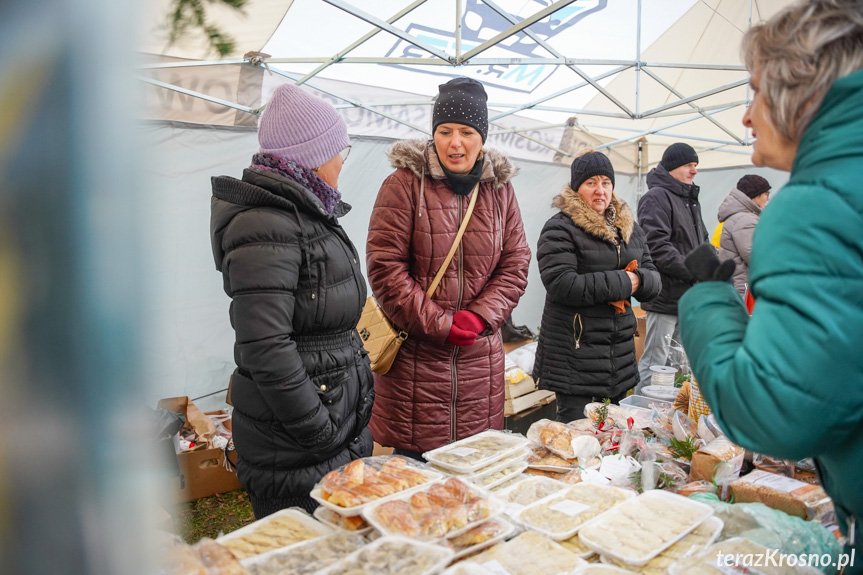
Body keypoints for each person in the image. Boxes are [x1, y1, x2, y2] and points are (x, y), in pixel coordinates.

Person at [679, 0, 863, 567]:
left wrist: (707, 298)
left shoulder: (813, 205)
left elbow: (773, 413)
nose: (745, 115)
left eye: (755, 90)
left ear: (796, 92)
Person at [209, 83, 374, 518]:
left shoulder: (305, 211)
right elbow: (265, 346)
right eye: (340, 150)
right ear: (314, 156)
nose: (343, 160)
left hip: (332, 431)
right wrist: (317, 429)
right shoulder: (268, 225)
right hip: (298, 445)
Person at [366, 77, 530, 458]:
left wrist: (480, 317)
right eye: (445, 131)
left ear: (482, 137)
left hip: (478, 367)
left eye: (467, 132)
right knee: (415, 490)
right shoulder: (404, 184)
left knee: (473, 483)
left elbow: (516, 261)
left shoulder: (500, 191)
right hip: (415, 369)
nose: (455, 143)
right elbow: (385, 267)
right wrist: (441, 324)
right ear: (433, 134)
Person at [533, 151, 661, 421]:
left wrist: (640, 280)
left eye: (606, 182)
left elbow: (654, 280)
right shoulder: (560, 228)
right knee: (577, 441)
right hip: (576, 358)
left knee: (614, 442)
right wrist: (626, 281)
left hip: (619, 358)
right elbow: (562, 284)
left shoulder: (629, 229)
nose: (600, 191)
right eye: (591, 183)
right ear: (577, 188)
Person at [635, 142, 708, 392]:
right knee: (655, 364)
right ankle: (642, 418)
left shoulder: (689, 200)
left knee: (678, 364)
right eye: (689, 165)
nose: (694, 170)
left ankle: (667, 419)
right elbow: (656, 246)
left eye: (695, 165)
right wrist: (695, 271)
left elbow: (702, 242)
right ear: (674, 167)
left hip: (687, 299)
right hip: (665, 298)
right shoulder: (656, 197)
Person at [716, 174, 771, 298]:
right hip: (744, 291)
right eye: (766, 193)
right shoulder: (745, 219)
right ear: (756, 195)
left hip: (736, 287)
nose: (767, 199)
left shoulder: (740, 216)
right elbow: (755, 256)